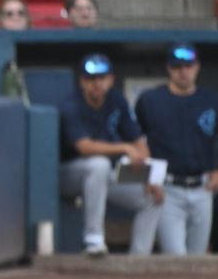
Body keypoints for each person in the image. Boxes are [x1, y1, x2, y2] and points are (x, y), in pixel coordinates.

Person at [135, 44, 218, 255]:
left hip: (203, 188)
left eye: (188, 66)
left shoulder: (213, 101)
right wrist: (148, 176)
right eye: (177, 66)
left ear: (197, 67)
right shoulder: (150, 100)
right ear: (169, 69)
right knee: (177, 257)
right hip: (167, 188)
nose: (183, 71)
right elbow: (134, 140)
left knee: (197, 260)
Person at [58, 53, 162, 257]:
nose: (97, 84)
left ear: (111, 79)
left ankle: (139, 257)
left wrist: (151, 176)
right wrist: (124, 148)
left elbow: (138, 141)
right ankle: (94, 240)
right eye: (91, 79)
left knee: (152, 196)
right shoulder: (71, 104)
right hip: (67, 175)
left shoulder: (116, 100)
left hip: (102, 176)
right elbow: (84, 147)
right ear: (82, 81)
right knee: (99, 164)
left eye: (101, 78)